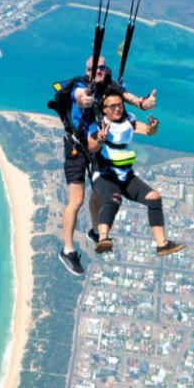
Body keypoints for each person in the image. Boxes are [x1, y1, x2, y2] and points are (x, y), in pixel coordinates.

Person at [58, 55, 157, 276]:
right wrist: (85, 100)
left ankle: (94, 230)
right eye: (94, 68)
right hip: (76, 148)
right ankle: (67, 249)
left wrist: (143, 103)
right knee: (76, 199)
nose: (98, 71)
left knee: (100, 192)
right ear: (88, 70)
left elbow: (127, 97)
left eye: (102, 67)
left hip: (97, 146)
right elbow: (80, 96)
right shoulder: (80, 85)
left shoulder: (111, 87)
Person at [87, 92, 184, 257]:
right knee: (113, 199)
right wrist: (100, 139)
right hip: (103, 173)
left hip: (124, 174)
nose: (118, 108)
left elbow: (147, 131)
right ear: (104, 110)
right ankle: (102, 238)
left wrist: (153, 127)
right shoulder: (98, 125)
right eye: (113, 106)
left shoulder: (128, 120)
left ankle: (162, 244)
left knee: (154, 197)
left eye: (120, 105)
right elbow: (92, 147)